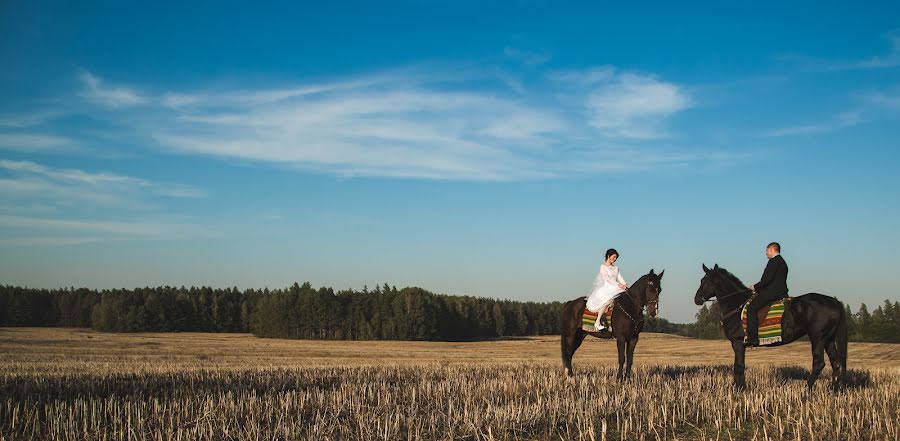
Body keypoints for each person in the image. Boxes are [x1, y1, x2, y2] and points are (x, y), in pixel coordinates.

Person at [744, 242, 789, 346]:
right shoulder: (783, 262)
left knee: (751, 308)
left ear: (772, 250)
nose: (766, 253)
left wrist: (755, 287)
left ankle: (753, 338)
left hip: (771, 293)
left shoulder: (773, 261)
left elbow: (767, 280)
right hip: (782, 292)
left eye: (767, 250)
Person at [585, 248, 628, 330]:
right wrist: (619, 285)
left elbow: (620, 277)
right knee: (606, 301)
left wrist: (625, 284)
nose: (615, 259)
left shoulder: (616, 268)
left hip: (616, 286)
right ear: (609, 256)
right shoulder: (603, 267)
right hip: (607, 287)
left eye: (616, 258)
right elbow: (607, 279)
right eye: (614, 257)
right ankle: (597, 322)